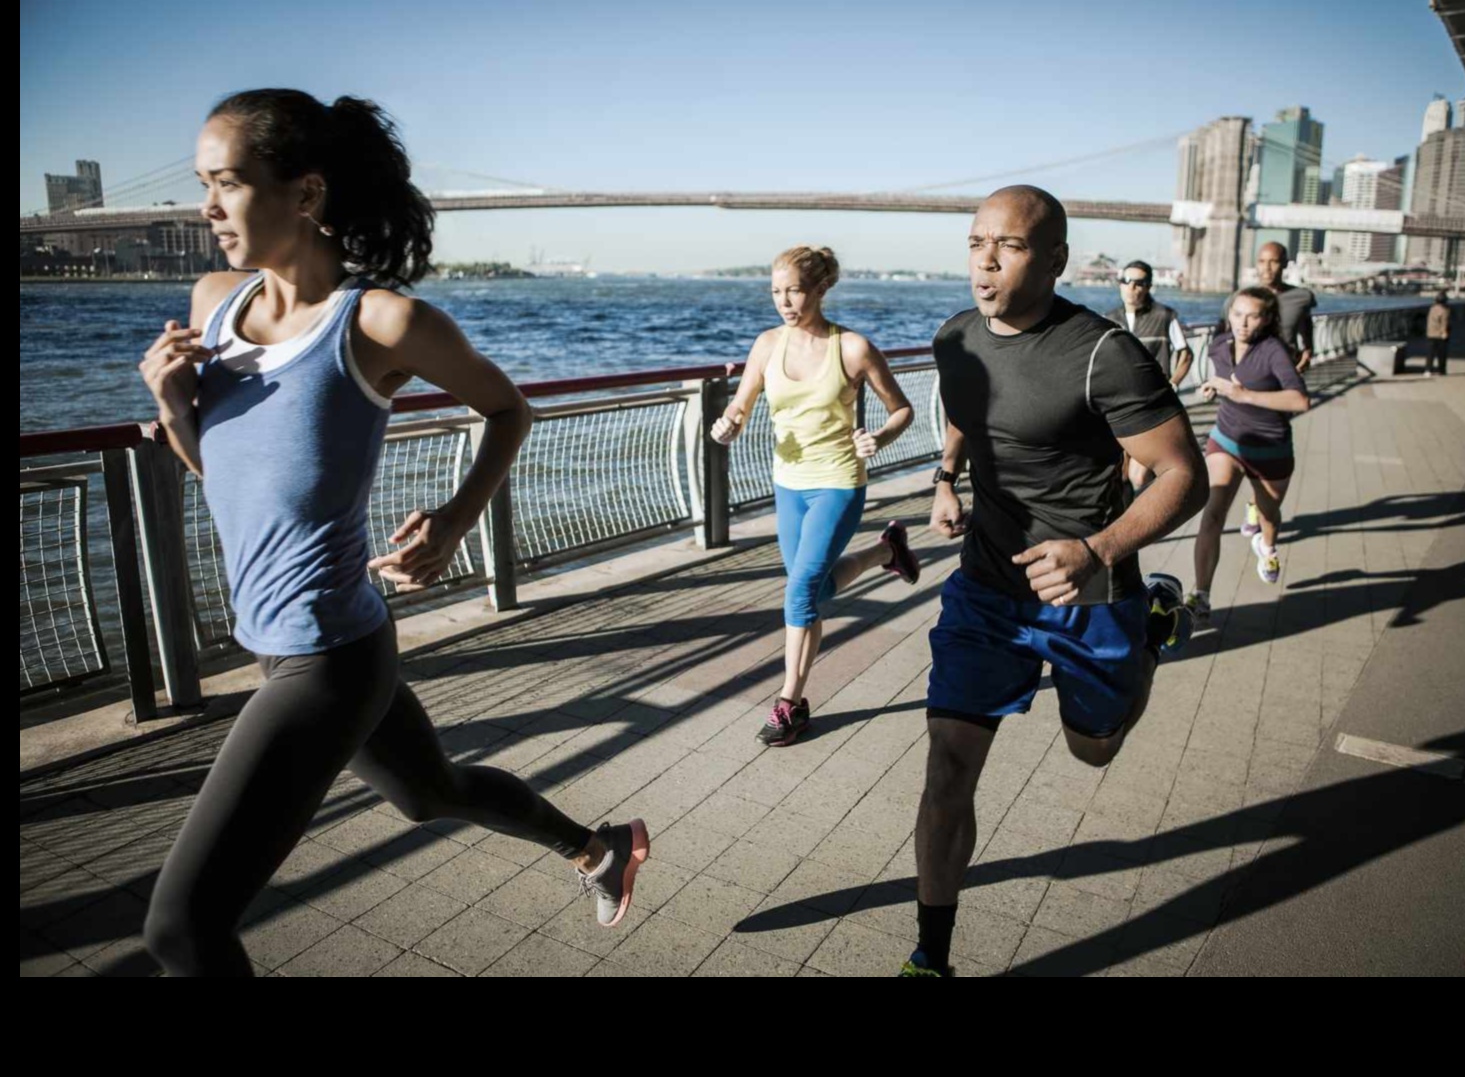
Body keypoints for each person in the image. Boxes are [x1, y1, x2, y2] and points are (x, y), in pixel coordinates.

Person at [139, 89, 647, 976]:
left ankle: (595, 849)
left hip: (328, 659)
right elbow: (232, 488)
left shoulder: (379, 323)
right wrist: (171, 406)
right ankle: (600, 849)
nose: (207, 207)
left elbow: (506, 409)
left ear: (304, 194)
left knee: (181, 929)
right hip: (289, 638)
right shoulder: (213, 301)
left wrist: (453, 520)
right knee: (429, 792)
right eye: (201, 184)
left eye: (228, 183)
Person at [903, 187, 1206, 977]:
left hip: (1092, 593)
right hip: (987, 589)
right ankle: (931, 959)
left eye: (1009, 246)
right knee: (948, 767)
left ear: (1057, 259)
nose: (986, 261)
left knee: (1092, 752)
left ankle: (1151, 630)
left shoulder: (1106, 354)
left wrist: (1097, 549)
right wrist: (945, 476)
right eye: (976, 244)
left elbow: (1185, 475)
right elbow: (972, 409)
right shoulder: (955, 338)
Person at [711, 245, 920, 747]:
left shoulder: (852, 348)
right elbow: (741, 405)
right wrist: (728, 425)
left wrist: (881, 438)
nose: (784, 301)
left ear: (821, 289)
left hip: (839, 481)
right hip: (788, 483)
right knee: (814, 590)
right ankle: (886, 551)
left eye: (794, 291)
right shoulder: (766, 345)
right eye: (776, 292)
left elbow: (902, 410)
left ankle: (790, 703)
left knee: (801, 590)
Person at [1186, 287, 1311, 626]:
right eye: (1238, 313)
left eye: (1253, 315)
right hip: (1226, 439)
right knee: (1212, 514)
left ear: (1267, 319)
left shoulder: (1273, 352)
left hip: (1270, 449)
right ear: (1229, 314)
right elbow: (1222, 379)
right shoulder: (1218, 345)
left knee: (1269, 515)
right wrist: (1213, 387)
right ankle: (1201, 596)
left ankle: (1266, 546)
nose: (1243, 322)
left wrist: (1245, 395)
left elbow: (1300, 401)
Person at [1236, 241, 1316, 541]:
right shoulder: (1243, 299)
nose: (1267, 268)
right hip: (1250, 380)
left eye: (1273, 262)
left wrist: (1308, 351)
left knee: (1273, 444)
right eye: (1261, 261)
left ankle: (1257, 504)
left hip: (1282, 384)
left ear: (1285, 264)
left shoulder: (1301, 297)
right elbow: (1227, 335)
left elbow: (1306, 329)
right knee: (1243, 444)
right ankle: (1258, 503)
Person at [1103, 259, 1193, 492]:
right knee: (1120, 474)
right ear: (1119, 284)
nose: (1132, 287)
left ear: (1149, 286)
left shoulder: (1164, 316)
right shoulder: (1109, 318)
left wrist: (1173, 383)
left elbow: (1186, 353)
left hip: (1153, 407)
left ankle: (1152, 514)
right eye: (1126, 281)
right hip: (1117, 406)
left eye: (1139, 283)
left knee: (1138, 475)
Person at [1425, 291, 1452, 377]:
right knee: (1442, 354)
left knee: (1430, 353)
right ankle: (1441, 370)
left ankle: (1428, 369)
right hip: (1440, 335)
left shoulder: (1432, 309)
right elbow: (1444, 323)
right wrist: (1444, 332)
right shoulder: (1445, 310)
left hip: (1431, 333)